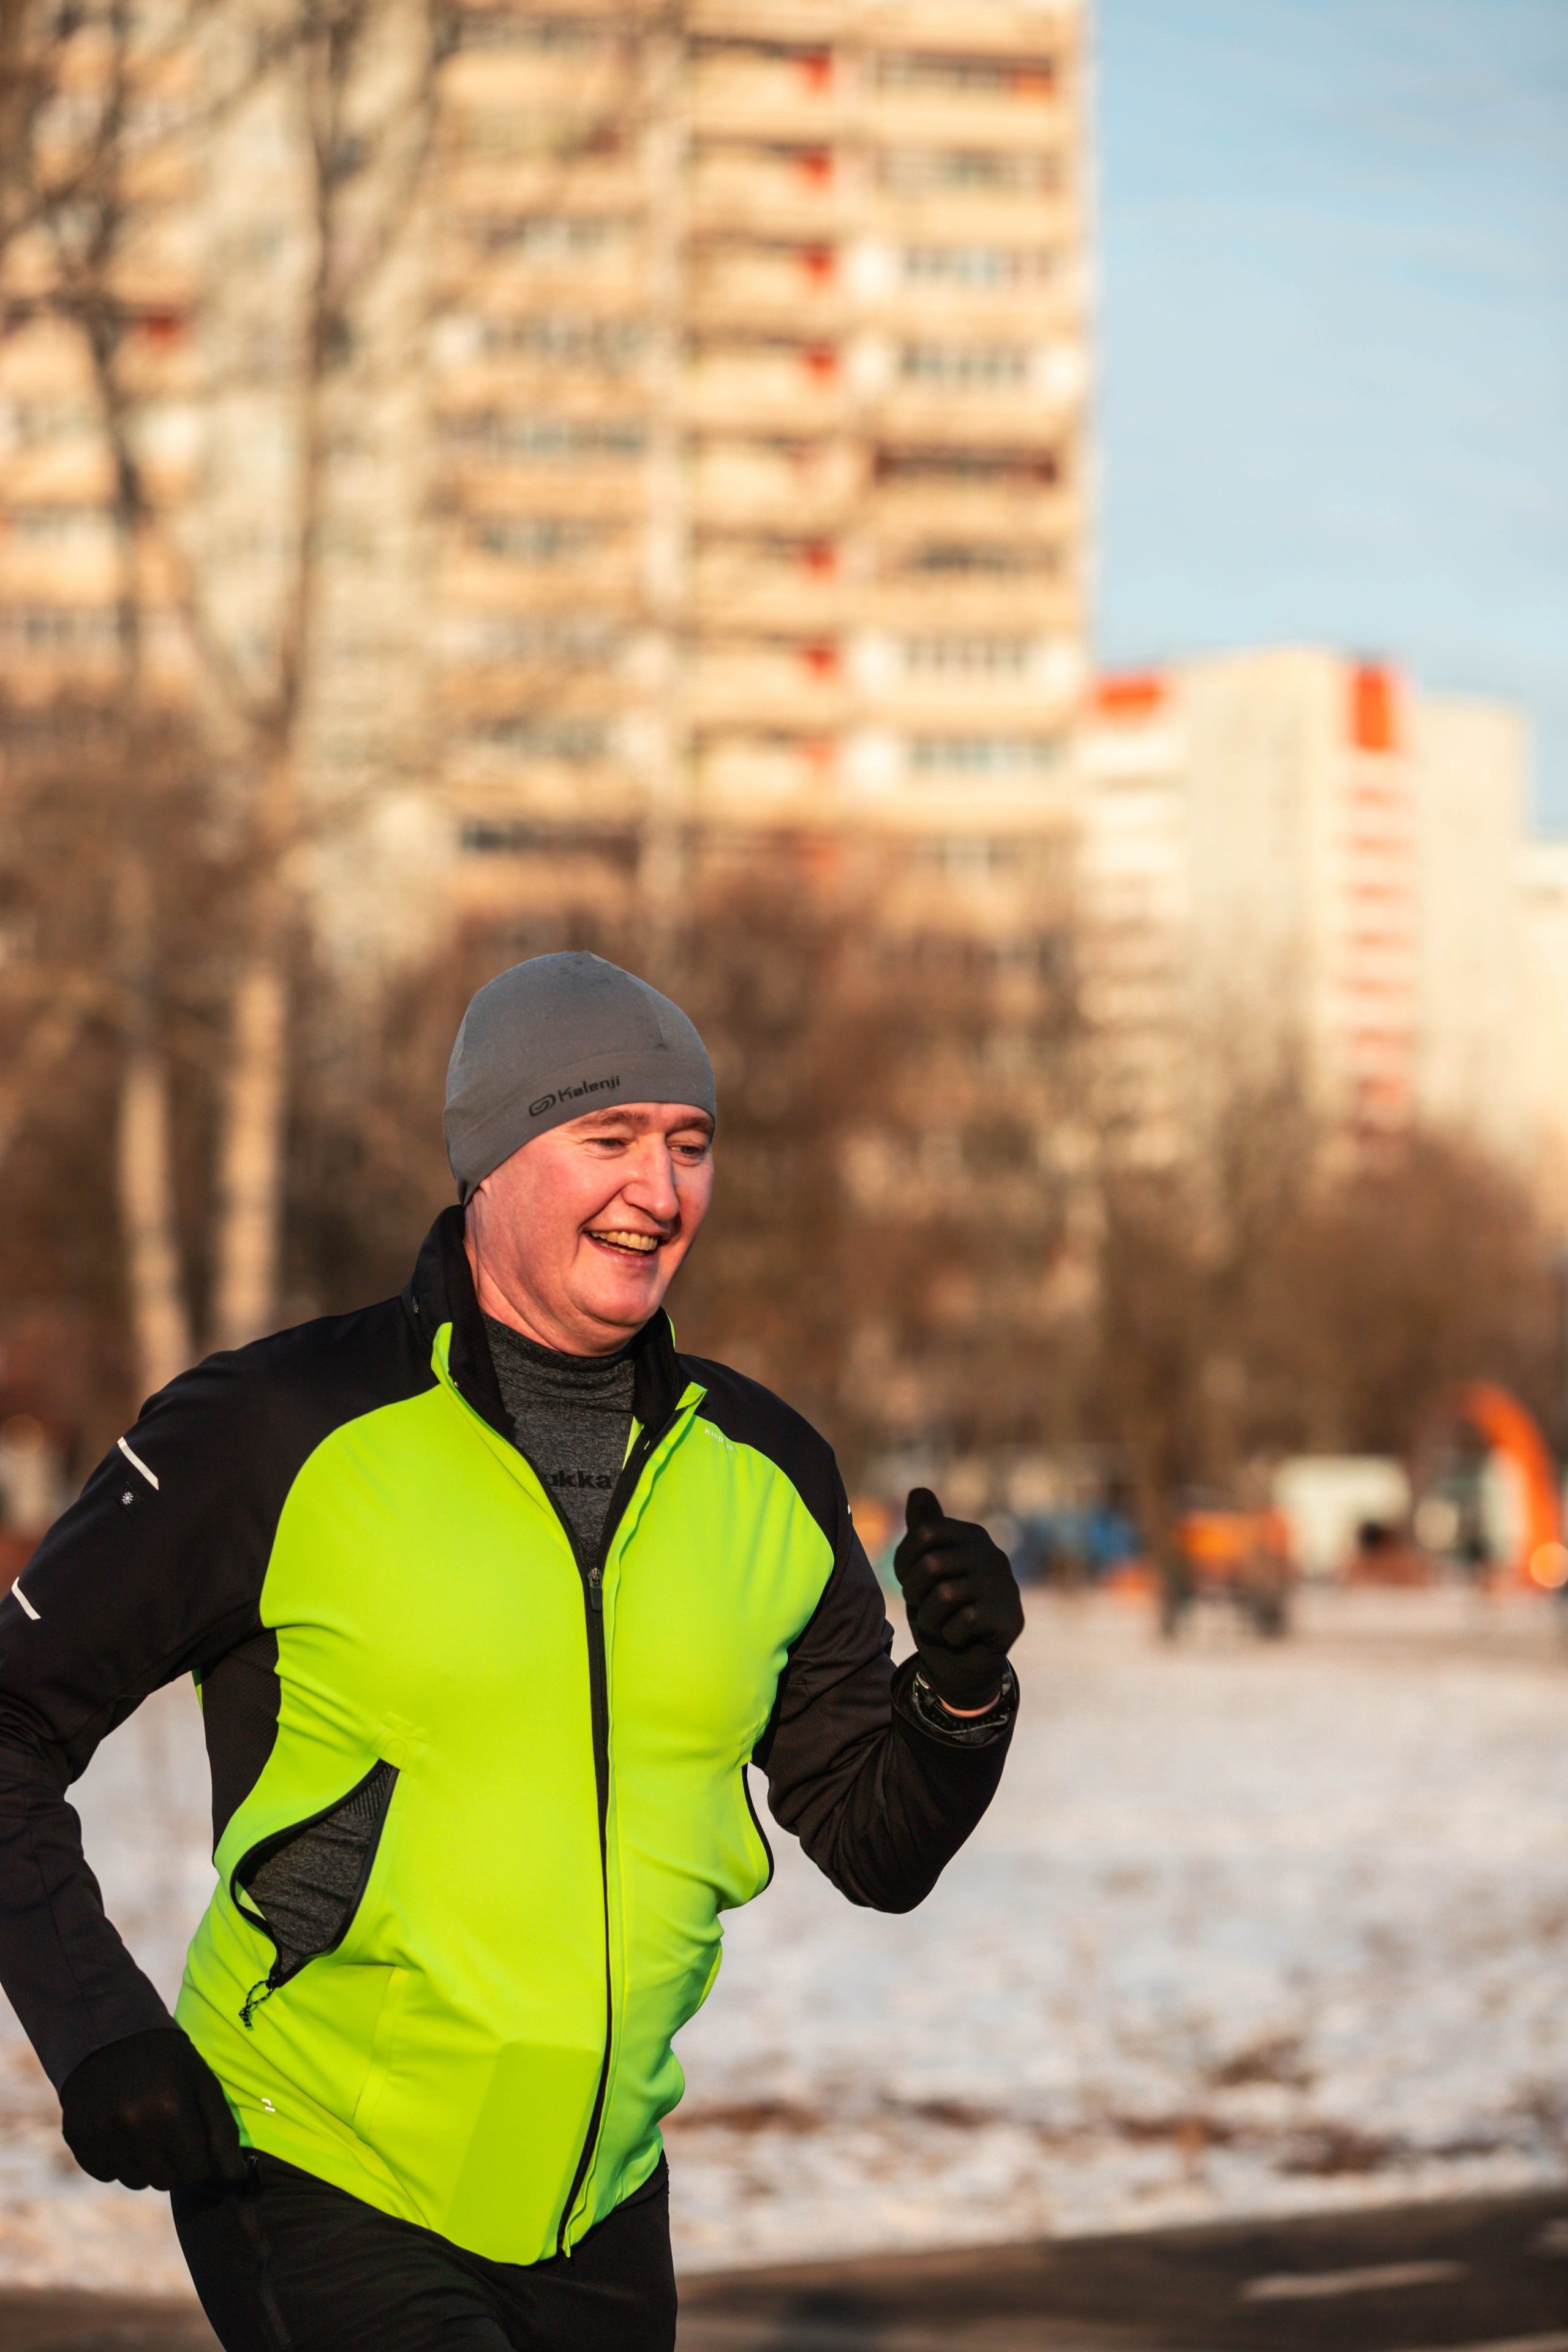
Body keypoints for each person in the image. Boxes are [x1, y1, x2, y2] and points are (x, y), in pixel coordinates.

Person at [0, 952, 1023, 2351]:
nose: (657, 1193)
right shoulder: (276, 1427)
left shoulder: (766, 1470)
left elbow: (873, 1845)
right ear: (488, 1156)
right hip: (314, 2158)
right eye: (608, 1139)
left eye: (689, 1145)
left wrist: (960, 1690)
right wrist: (97, 2027)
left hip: (598, 2199)